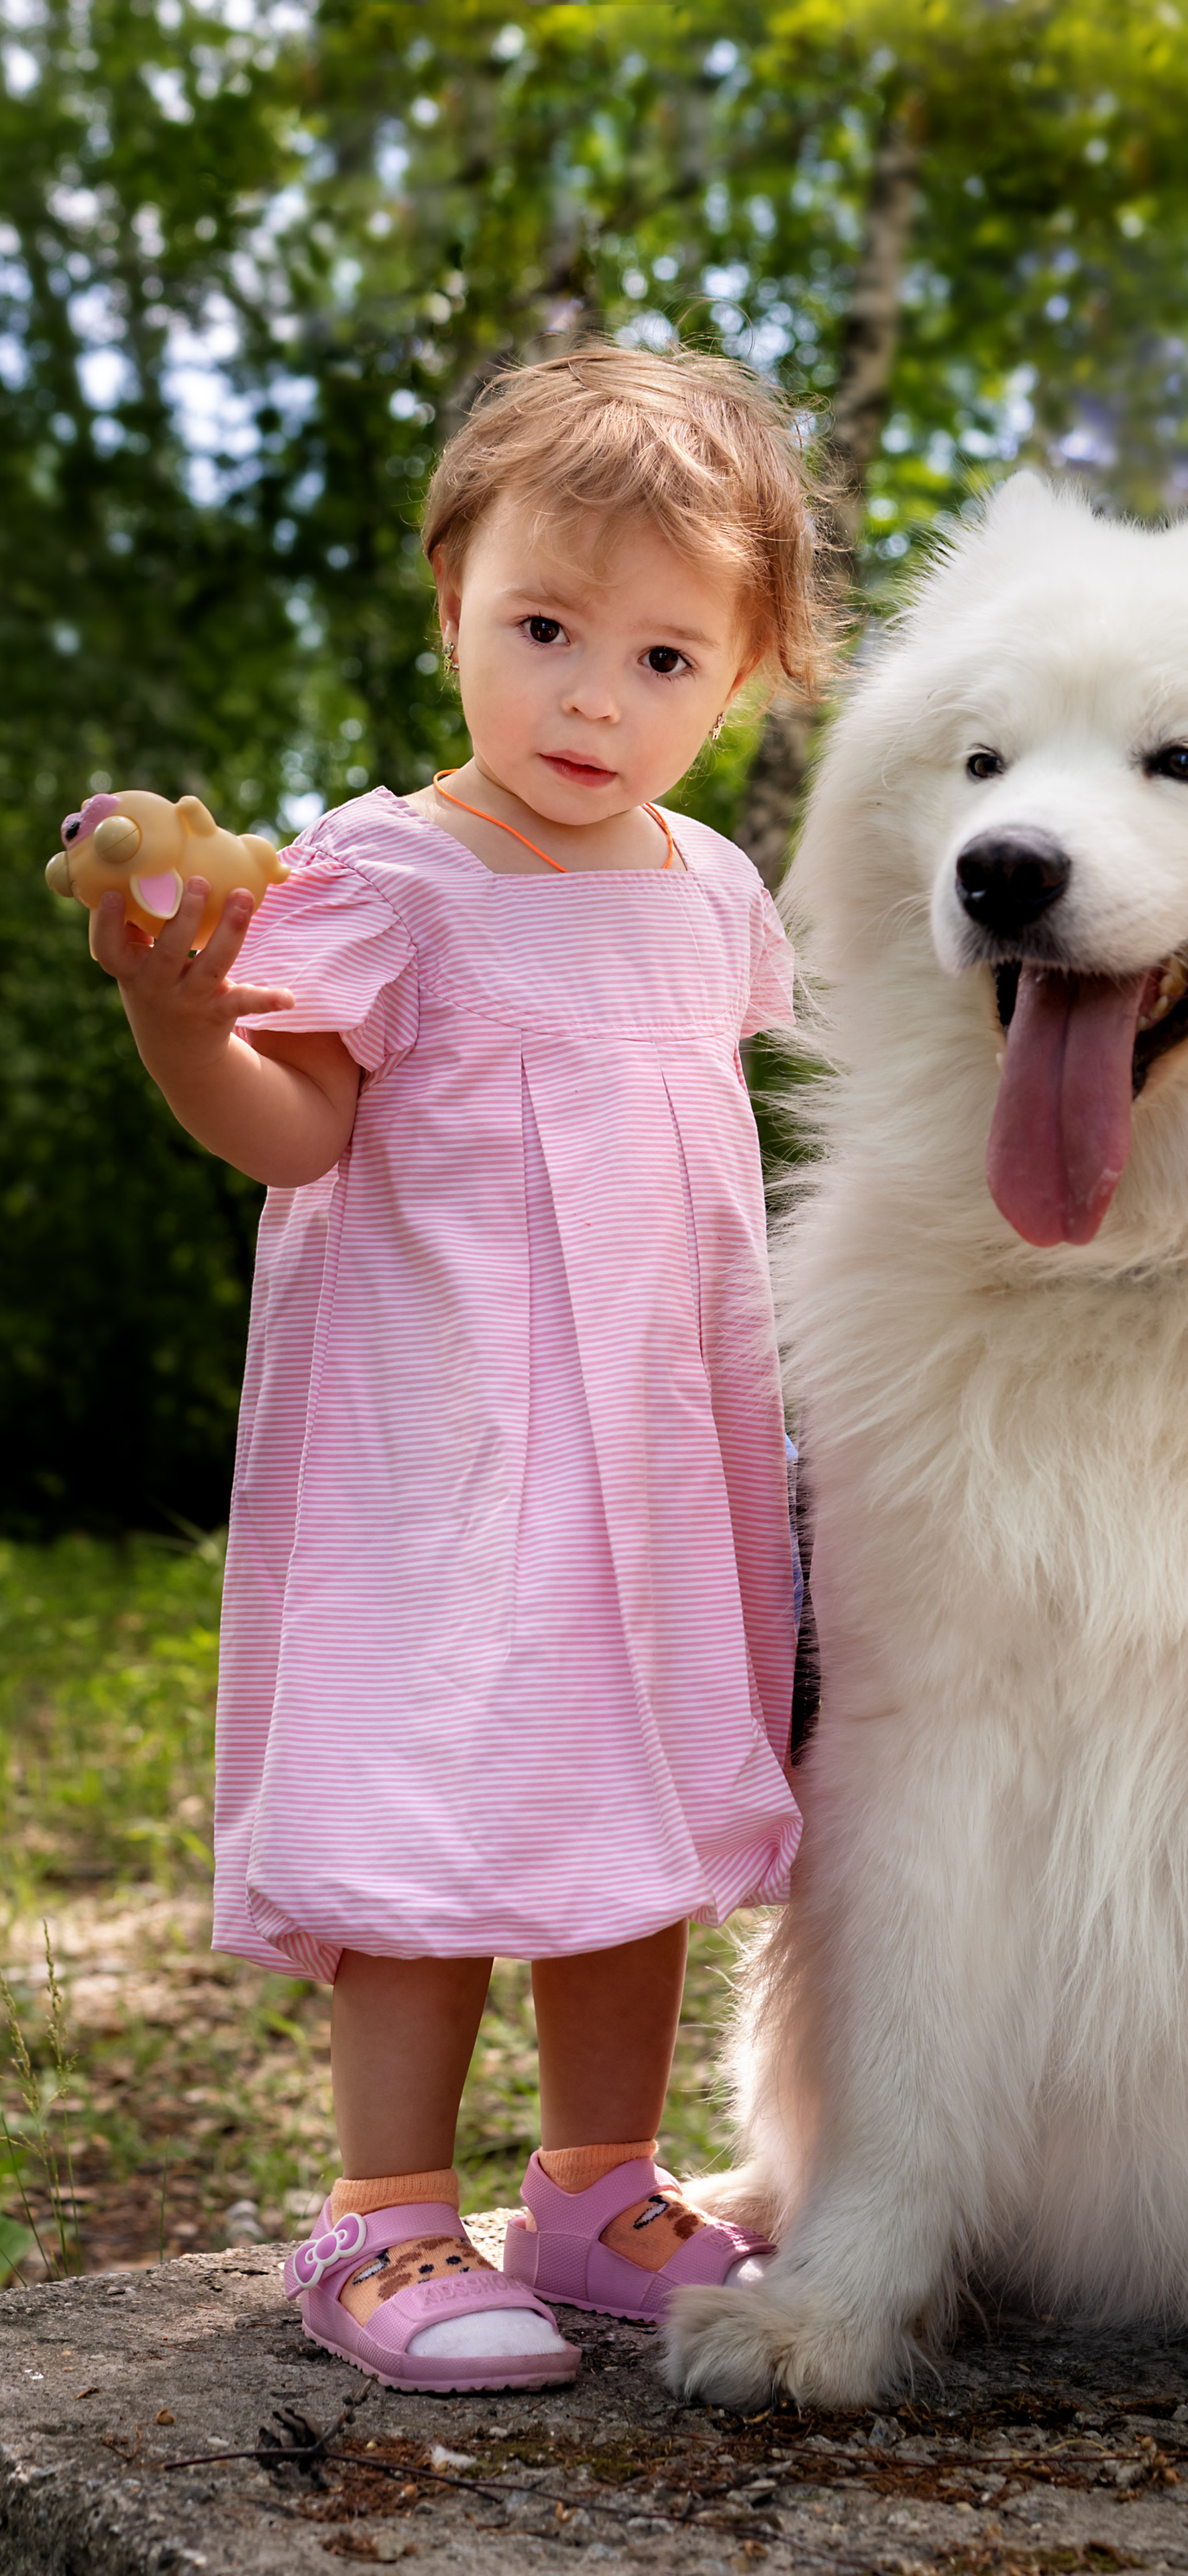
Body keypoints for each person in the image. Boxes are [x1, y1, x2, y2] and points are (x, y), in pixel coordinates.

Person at [87, 343, 834, 2392]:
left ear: (751, 671)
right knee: (434, 1785)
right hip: (447, 1436)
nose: (598, 696)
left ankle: (596, 2183)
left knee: (642, 1789)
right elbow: (303, 1129)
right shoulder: (386, 871)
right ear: (451, 601)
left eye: (671, 658)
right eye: (545, 629)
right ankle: (383, 2215)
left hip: (659, 1439)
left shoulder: (716, 896)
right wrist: (178, 1022)